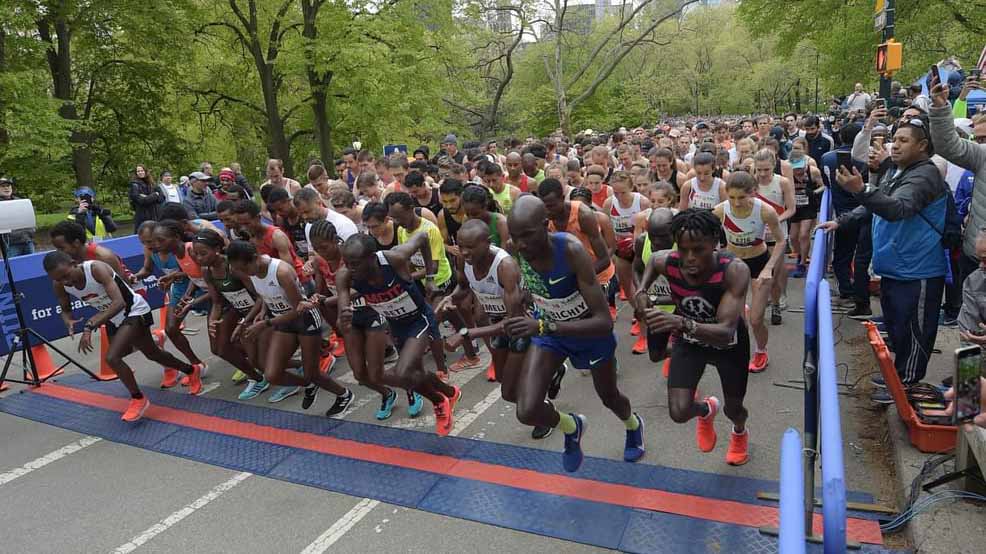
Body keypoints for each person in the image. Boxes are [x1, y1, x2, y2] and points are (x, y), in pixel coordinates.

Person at [505, 195, 644, 472]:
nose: (521, 244)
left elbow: (603, 322)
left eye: (528, 236)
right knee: (527, 410)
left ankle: (634, 424)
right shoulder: (517, 250)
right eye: (516, 237)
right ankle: (572, 426)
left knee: (609, 396)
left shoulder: (570, 251)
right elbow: (537, 289)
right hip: (550, 335)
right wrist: (526, 300)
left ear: (546, 225)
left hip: (590, 335)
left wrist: (546, 325)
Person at [820, 115, 949, 402]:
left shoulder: (925, 174)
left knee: (915, 331)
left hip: (918, 270)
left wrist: (861, 189)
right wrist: (842, 221)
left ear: (923, 145)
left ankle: (906, 384)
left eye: (904, 141)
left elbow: (897, 208)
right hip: (895, 267)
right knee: (898, 327)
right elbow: (873, 206)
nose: (895, 146)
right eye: (895, 140)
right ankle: (899, 375)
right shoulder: (897, 171)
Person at [636, 209, 752, 465]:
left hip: (728, 347)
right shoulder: (668, 260)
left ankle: (739, 432)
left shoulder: (734, 270)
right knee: (678, 412)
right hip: (691, 343)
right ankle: (706, 409)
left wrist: (680, 322)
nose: (689, 258)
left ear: (714, 242)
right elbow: (654, 260)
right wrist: (642, 291)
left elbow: (725, 332)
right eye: (683, 249)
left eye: (698, 249)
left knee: (734, 409)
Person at [44, 251, 202, 421]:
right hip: (113, 317)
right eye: (60, 279)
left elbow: (119, 302)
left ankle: (138, 399)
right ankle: (191, 370)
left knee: (112, 358)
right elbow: (65, 308)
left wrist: (90, 326)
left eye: (66, 275)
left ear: (74, 262)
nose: (66, 281)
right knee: (151, 353)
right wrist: (68, 320)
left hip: (133, 309)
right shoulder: (59, 284)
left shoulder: (96, 269)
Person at [338, 233, 462, 435]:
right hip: (395, 324)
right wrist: (344, 315)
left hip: (419, 319)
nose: (350, 268)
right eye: (347, 262)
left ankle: (440, 401)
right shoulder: (346, 275)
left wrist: (430, 278)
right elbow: (343, 302)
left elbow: (422, 237)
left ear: (372, 258)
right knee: (400, 375)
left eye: (355, 263)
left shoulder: (393, 258)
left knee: (404, 372)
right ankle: (450, 392)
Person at [307, 220, 419, 420]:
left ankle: (412, 388)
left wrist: (330, 300)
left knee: (376, 371)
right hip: (350, 317)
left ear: (335, 240)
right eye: (315, 248)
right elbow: (321, 287)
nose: (320, 252)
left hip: (372, 311)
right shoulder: (318, 261)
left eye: (324, 247)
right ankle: (387, 394)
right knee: (359, 373)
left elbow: (363, 287)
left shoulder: (351, 256)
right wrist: (316, 297)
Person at [228, 240, 354, 416]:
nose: (242, 273)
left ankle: (344, 394)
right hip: (282, 321)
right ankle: (308, 385)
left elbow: (299, 310)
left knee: (313, 372)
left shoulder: (281, 272)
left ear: (255, 259)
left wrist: (266, 323)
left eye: (243, 268)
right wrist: (263, 311)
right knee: (271, 374)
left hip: (304, 320)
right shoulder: (250, 271)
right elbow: (263, 294)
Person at [713, 172, 787, 372]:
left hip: (759, 264)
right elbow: (708, 236)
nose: (736, 203)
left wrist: (768, 268)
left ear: (752, 193)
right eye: (732, 197)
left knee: (756, 319)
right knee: (733, 318)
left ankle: (761, 350)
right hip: (734, 265)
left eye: (742, 197)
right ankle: (738, 350)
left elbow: (781, 241)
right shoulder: (720, 211)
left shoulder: (765, 211)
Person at [191, 229, 270, 400]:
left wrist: (245, 322)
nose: (199, 258)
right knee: (220, 349)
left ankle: (263, 373)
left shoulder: (233, 267)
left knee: (258, 358)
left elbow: (259, 297)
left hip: (257, 311)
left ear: (217, 249)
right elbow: (217, 302)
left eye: (203, 253)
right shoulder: (207, 271)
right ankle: (256, 376)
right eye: (195, 254)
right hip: (237, 310)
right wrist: (213, 320)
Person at [929, 79, 986, 289]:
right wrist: (940, 108)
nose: (981, 142)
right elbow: (948, 146)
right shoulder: (982, 155)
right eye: (979, 138)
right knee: (970, 317)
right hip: (975, 258)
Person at [631, 208, 676, 363]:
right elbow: (636, 269)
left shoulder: (686, 245)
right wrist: (640, 291)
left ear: (674, 232)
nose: (657, 241)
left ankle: (685, 359)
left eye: (663, 237)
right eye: (653, 236)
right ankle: (681, 353)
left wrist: (655, 299)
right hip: (658, 308)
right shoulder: (642, 241)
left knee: (690, 347)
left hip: (682, 308)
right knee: (656, 355)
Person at [0, 177, 35, 256]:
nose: (6, 188)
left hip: (27, 241)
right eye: (3, 186)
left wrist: (31, 233)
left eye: (8, 186)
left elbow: (29, 218)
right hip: (11, 245)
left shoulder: (21, 201)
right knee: (14, 266)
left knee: (31, 265)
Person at [129, 164, 163, 233]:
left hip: (155, 215)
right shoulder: (134, 185)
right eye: (138, 171)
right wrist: (154, 195)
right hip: (143, 217)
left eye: (142, 170)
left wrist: (148, 197)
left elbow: (161, 198)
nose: (140, 172)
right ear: (136, 173)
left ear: (145, 171)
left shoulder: (152, 184)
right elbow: (142, 201)